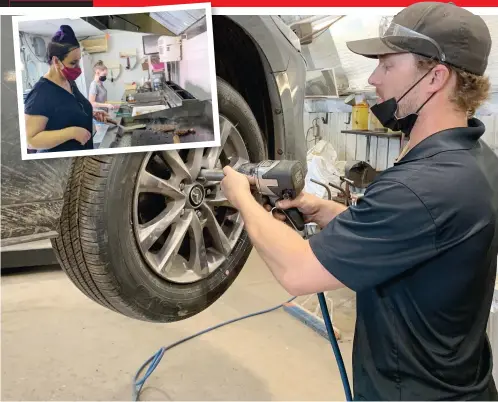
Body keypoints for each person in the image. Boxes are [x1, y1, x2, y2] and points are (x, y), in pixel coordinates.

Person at [220, 2, 498, 401]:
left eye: (387, 66)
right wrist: (331, 212)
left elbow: (298, 272)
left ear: (436, 77)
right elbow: (417, 238)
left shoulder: (421, 187)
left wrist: (241, 197)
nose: (372, 79)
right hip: (462, 384)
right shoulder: (477, 162)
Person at [24, 25, 108, 152]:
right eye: (73, 63)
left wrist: (91, 114)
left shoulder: (69, 82)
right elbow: (30, 141)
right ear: (56, 61)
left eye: (78, 62)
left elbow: (68, 112)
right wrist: (72, 132)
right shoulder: (40, 94)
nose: (78, 68)